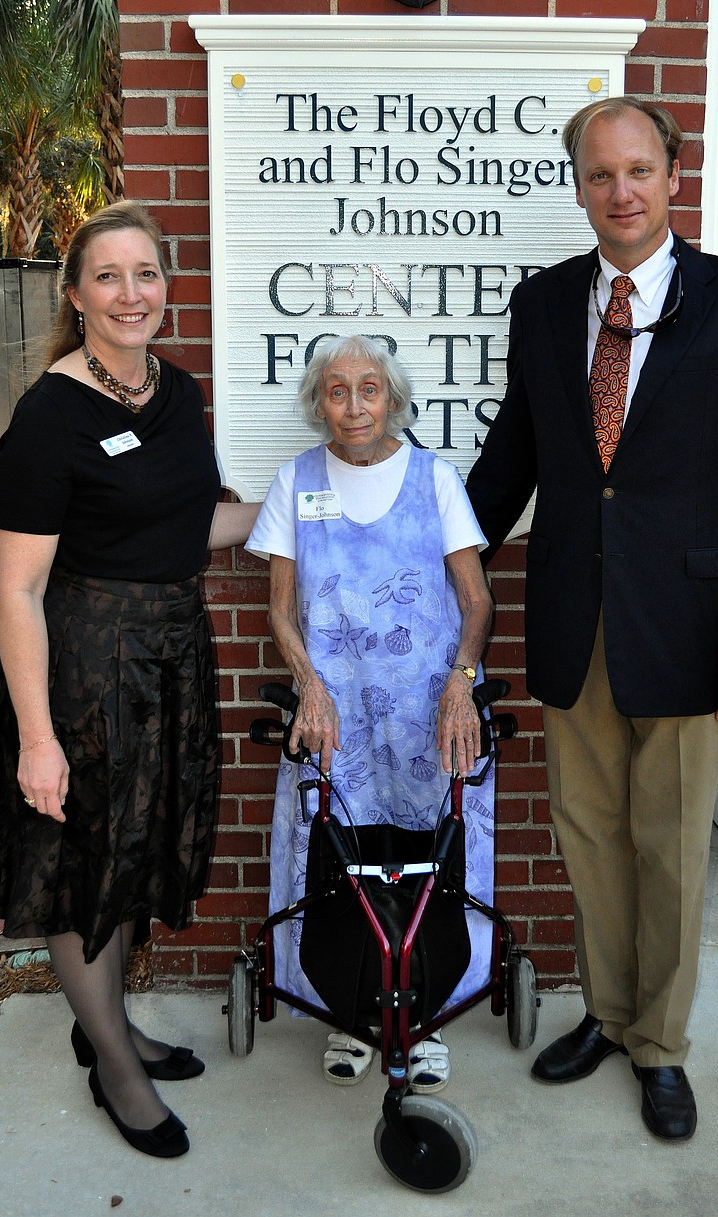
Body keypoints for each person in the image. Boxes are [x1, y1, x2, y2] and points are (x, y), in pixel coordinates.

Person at [465, 97, 718, 1141]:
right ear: (577, 186)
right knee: (588, 835)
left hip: (696, 628)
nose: (621, 192)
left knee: (668, 842)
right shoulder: (541, 302)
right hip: (574, 613)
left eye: (639, 171)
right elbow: (511, 459)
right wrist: (432, 554)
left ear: (672, 177)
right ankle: (607, 1017)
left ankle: (660, 1045)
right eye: (600, 174)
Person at [0, 200, 259, 1158]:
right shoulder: (48, 416)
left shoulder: (177, 396)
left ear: (166, 288)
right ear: (76, 293)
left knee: (134, 851)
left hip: (173, 655)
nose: (130, 293)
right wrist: (38, 737)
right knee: (82, 867)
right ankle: (114, 1063)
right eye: (108, 276)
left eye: (146, 274)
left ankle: (109, 1025)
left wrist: (312, 502)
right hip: (85, 669)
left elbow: (191, 529)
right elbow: (17, 588)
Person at [246, 334, 493, 1092]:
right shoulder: (297, 481)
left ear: (393, 398)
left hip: (427, 708)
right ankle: (347, 1008)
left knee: (432, 846)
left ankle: (429, 1015)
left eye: (370, 389)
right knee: (339, 846)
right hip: (336, 712)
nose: (354, 406)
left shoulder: (435, 479)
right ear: (318, 401)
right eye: (337, 390)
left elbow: (476, 599)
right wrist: (308, 684)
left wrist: (461, 680)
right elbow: (280, 609)